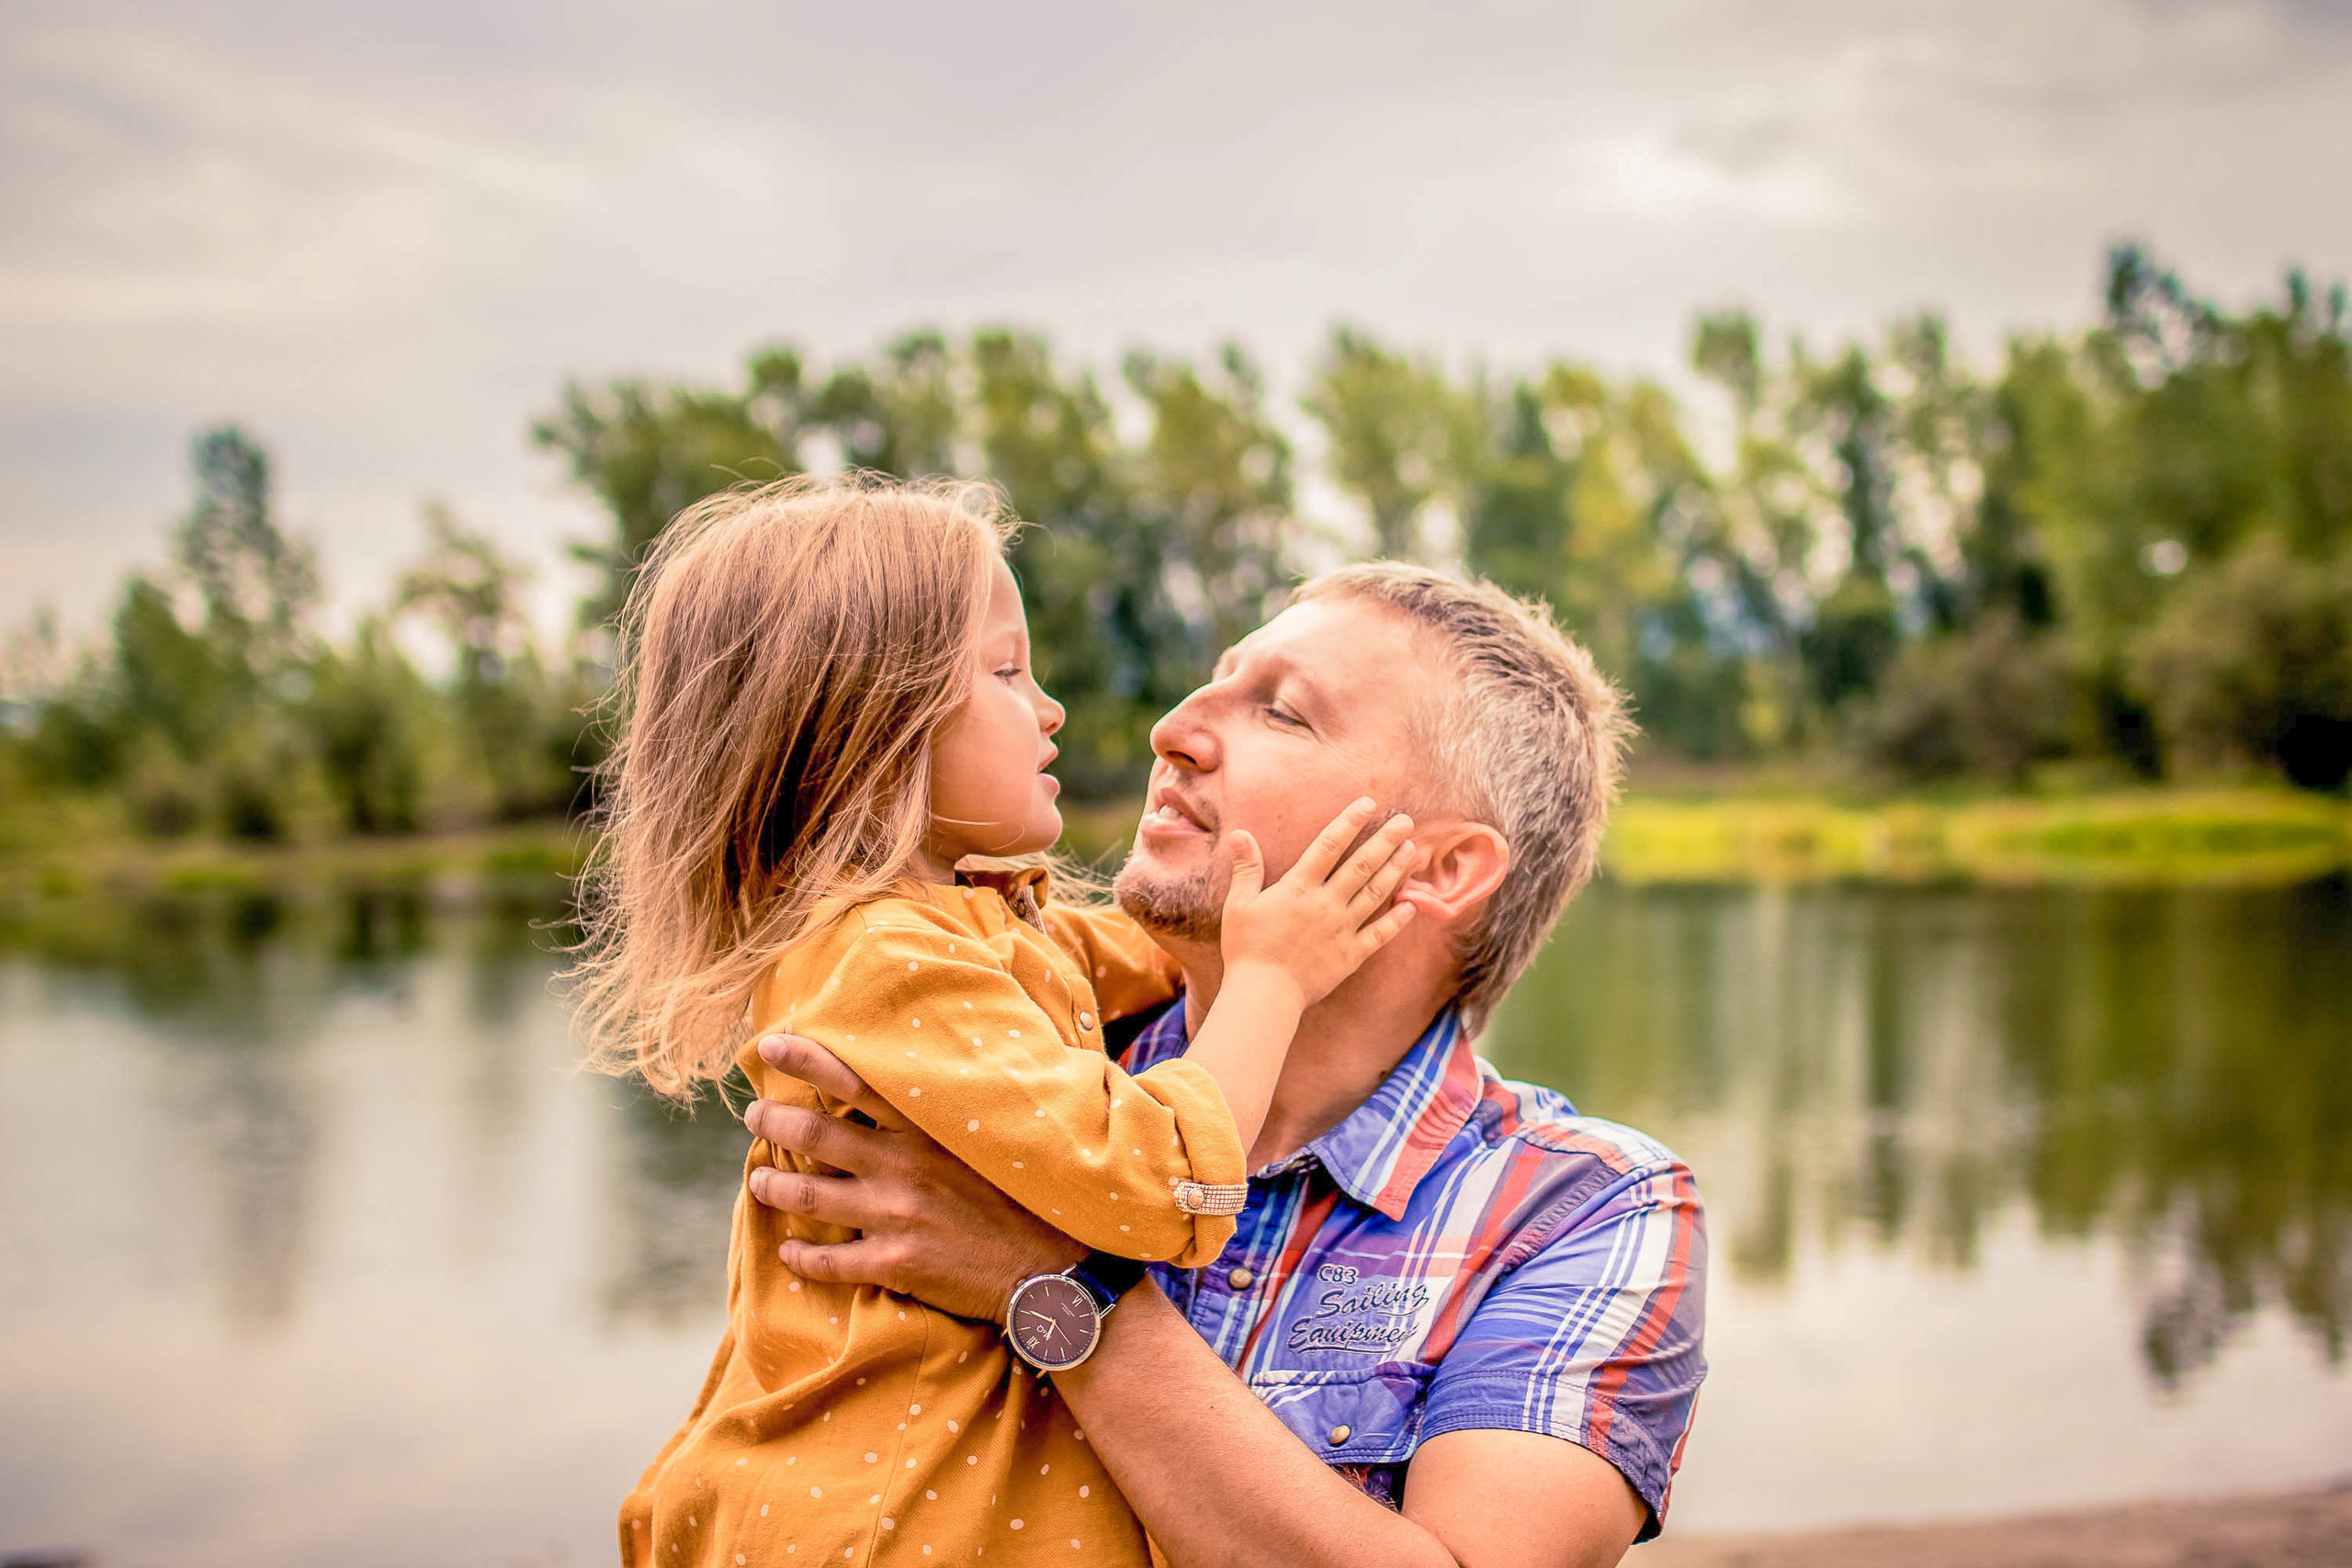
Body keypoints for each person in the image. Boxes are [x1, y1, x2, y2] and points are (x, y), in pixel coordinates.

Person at [741, 561, 1708, 1568]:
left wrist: (1052, 1282)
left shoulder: (1584, 1211)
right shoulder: (991, 1050)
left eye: (1282, 714)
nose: (1173, 728)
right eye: (1213, 678)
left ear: (1438, 867)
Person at [569, 474, 1428, 1567]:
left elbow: (1129, 956)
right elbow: (1165, 1188)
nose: (1051, 707)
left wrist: (1253, 920)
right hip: (886, 1530)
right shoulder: (887, 959)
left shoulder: (966, 931)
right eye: (1008, 672)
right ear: (874, 726)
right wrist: (1270, 980)